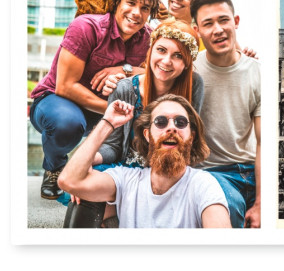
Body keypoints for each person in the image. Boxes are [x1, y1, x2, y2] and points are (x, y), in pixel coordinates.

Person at [61, 19, 204, 227]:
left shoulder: (195, 85)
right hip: (127, 168)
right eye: (161, 50)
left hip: (168, 169)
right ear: (151, 51)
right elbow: (113, 145)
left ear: (186, 63)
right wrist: (91, 159)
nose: (166, 61)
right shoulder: (125, 89)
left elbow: (191, 141)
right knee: (83, 193)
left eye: (178, 55)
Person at [29, 0, 160, 200]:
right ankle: (54, 167)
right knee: (67, 124)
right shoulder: (86, 27)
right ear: (117, 2)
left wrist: (124, 68)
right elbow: (65, 86)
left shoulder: (150, 39)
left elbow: (158, 71)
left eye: (145, 7)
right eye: (130, 2)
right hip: (56, 101)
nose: (137, 12)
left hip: (105, 110)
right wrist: (112, 111)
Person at [58, 95, 231, 228]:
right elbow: (69, 180)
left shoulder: (203, 185)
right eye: (161, 122)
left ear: (191, 137)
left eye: (180, 122)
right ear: (147, 135)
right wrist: (107, 123)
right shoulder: (126, 179)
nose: (171, 127)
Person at [190, 0, 261, 228]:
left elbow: (263, 143)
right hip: (214, 173)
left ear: (236, 22)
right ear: (197, 31)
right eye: (208, 24)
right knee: (228, 210)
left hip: (254, 170)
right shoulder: (189, 72)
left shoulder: (258, 72)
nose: (218, 30)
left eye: (223, 20)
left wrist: (261, 202)